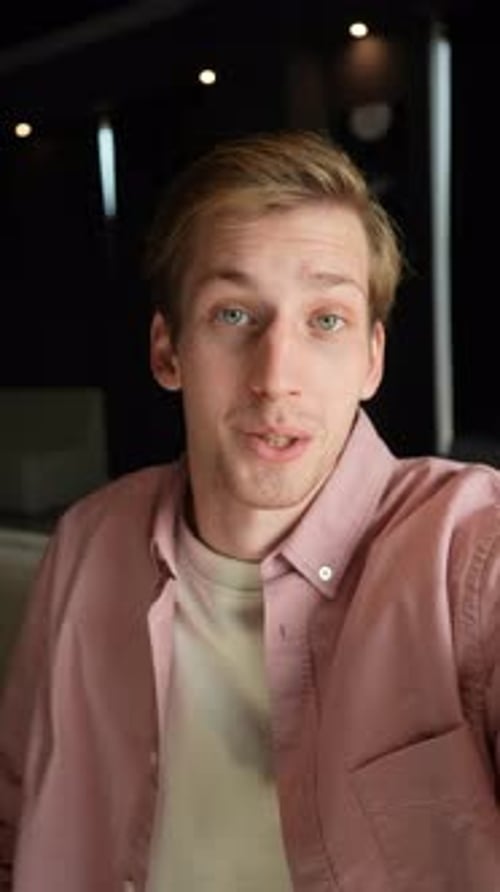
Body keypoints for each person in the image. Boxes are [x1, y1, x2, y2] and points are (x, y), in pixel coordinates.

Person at [1, 130, 500, 892]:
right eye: (234, 315)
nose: (276, 378)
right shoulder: (86, 541)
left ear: (372, 358)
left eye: (324, 320)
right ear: (168, 352)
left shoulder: (468, 550)